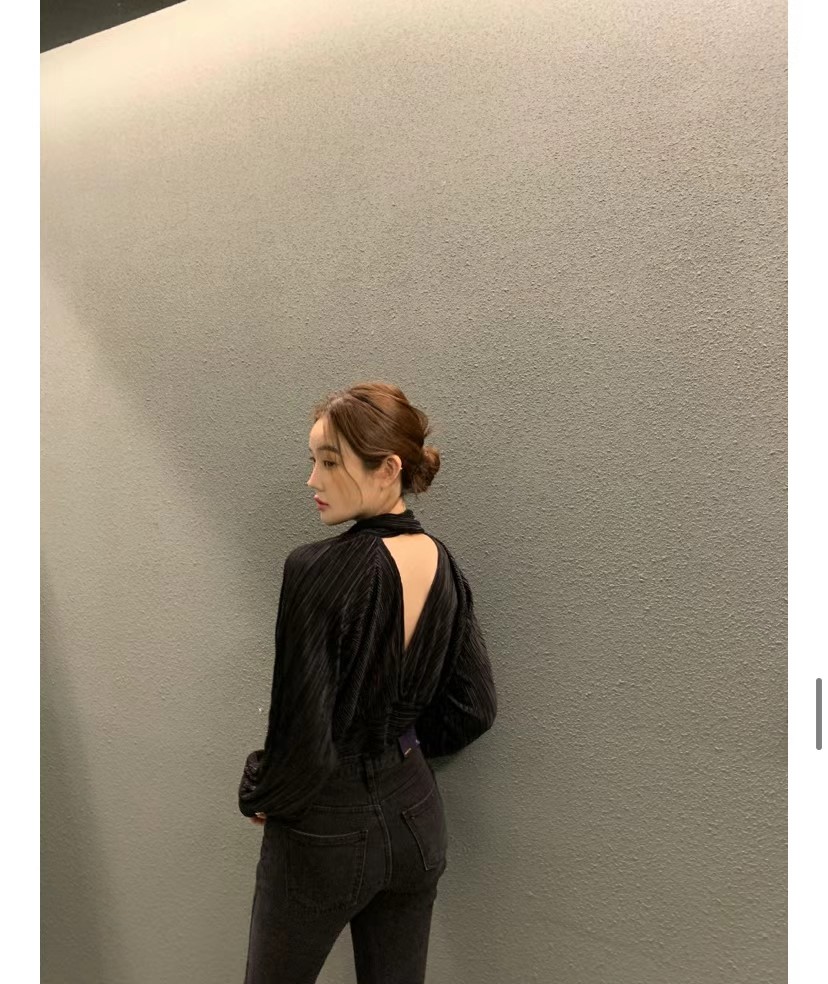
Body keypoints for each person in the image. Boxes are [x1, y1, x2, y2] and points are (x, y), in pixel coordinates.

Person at [239, 381, 497, 984]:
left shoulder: (315, 569)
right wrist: (397, 747)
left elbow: (303, 735)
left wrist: (261, 791)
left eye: (330, 462)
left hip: (325, 827)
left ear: (389, 469)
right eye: (313, 460)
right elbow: (475, 706)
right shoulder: (442, 562)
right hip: (416, 816)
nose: (313, 480)